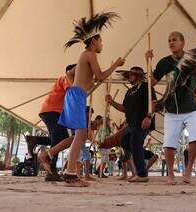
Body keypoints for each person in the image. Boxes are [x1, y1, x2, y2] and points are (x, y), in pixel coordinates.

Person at [58, 12, 125, 186]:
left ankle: (70, 173)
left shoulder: (84, 56)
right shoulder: (90, 54)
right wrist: (116, 65)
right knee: (80, 135)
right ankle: (70, 174)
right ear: (94, 41)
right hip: (77, 95)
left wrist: (82, 81)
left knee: (80, 135)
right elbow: (101, 76)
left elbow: (79, 75)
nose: (102, 44)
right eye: (100, 40)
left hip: (76, 95)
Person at [145, 31, 196, 184]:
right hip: (172, 110)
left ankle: (188, 171)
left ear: (183, 42)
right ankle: (170, 174)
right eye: (169, 40)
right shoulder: (164, 63)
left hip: (192, 107)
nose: (171, 43)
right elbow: (152, 82)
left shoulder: (192, 58)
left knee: (195, 138)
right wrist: (148, 62)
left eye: (174, 40)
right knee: (169, 143)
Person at [106, 66, 156, 182]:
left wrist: (149, 117)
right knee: (125, 142)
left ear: (137, 75)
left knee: (135, 143)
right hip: (131, 123)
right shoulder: (129, 91)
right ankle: (148, 155)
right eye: (128, 75)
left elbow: (153, 103)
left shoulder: (146, 87)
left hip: (143, 122)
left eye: (131, 75)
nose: (129, 76)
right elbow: (124, 108)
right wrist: (112, 102)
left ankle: (142, 175)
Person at [38, 64, 75, 181]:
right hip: (51, 111)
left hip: (56, 112)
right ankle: (51, 169)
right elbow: (71, 93)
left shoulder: (71, 82)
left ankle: (36, 141)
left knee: (65, 139)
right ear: (70, 71)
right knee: (58, 138)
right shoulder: (65, 78)